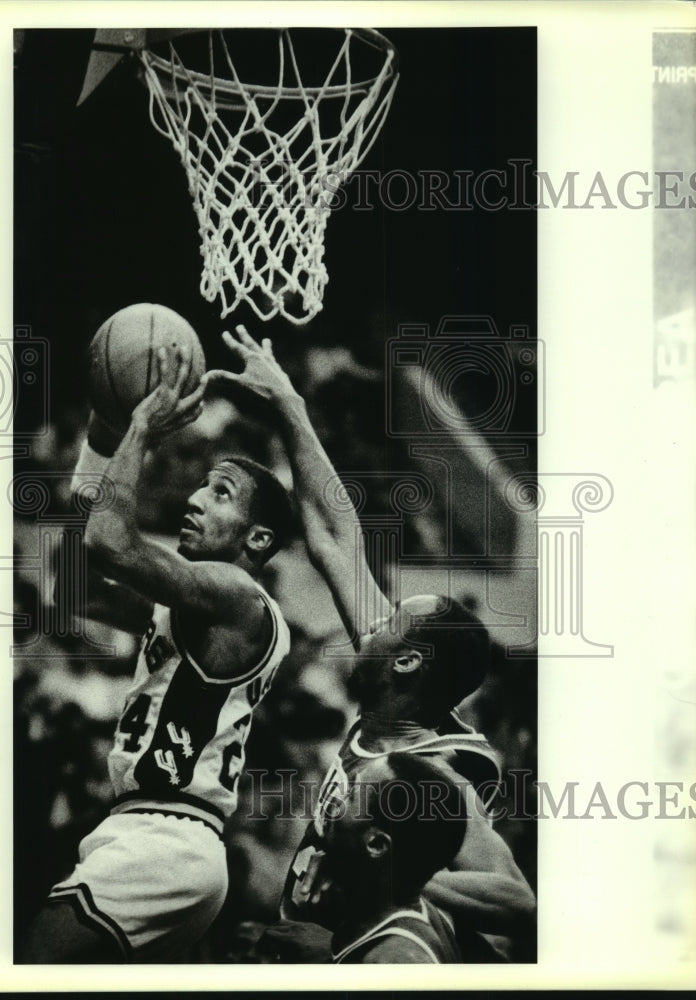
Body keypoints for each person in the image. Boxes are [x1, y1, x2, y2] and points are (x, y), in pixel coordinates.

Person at [208, 328, 536, 963]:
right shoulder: (389, 701)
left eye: (392, 619)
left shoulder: (434, 772)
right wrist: (289, 406)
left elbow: (517, 900)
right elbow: (336, 535)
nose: (372, 619)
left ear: (406, 659)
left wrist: (389, 888)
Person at [20, 347, 294, 963]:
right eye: (200, 485)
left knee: (30, 963)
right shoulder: (196, 607)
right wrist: (98, 442)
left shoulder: (237, 595)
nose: (195, 499)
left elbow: (111, 542)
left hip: (164, 837)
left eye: (219, 493)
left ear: (257, 538)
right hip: (159, 834)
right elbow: (74, 586)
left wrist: (137, 424)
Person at [321, 753, 467, 964]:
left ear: (376, 845)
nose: (336, 798)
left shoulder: (398, 962)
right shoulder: (411, 910)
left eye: (351, 795)